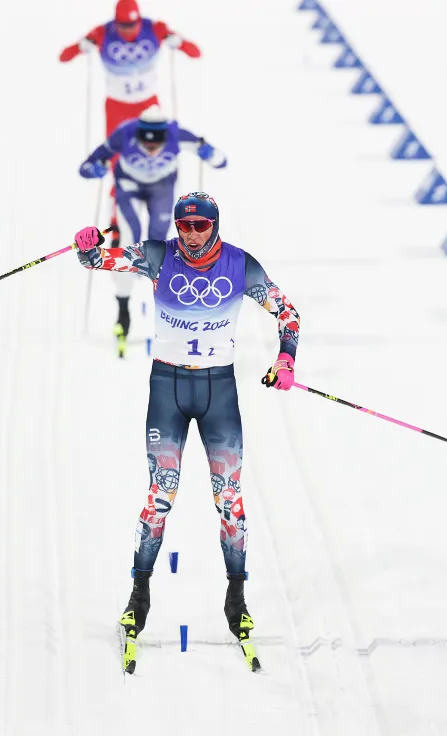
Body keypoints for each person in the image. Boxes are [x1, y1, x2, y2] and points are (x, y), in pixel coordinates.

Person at [72, 192, 301, 674]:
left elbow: (288, 313)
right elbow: (98, 260)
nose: (192, 234)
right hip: (168, 388)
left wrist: (285, 360)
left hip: (218, 391)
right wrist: (88, 245)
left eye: (200, 225)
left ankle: (236, 598)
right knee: (161, 495)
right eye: (184, 226)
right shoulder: (159, 255)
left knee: (230, 502)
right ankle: (139, 593)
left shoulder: (241, 265)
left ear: (215, 225)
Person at [79, 106, 227, 355]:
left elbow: (221, 161)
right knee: (129, 241)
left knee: (159, 246)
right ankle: (123, 312)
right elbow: (86, 166)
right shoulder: (125, 133)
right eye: (146, 145)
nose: (151, 150)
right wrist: (96, 168)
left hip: (162, 189)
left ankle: (167, 313)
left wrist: (208, 153)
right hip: (129, 186)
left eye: (156, 145)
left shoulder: (175, 133)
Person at [59, 0, 202, 251]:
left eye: (132, 25)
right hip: (117, 108)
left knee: (159, 156)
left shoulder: (155, 28)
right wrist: (82, 46)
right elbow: (64, 56)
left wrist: (176, 41)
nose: (128, 31)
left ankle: (161, 221)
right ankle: (117, 223)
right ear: (116, 22)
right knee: (117, 162)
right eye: (123, 26)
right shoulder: (103, 33)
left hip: (148, 108)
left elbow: (195, 52)